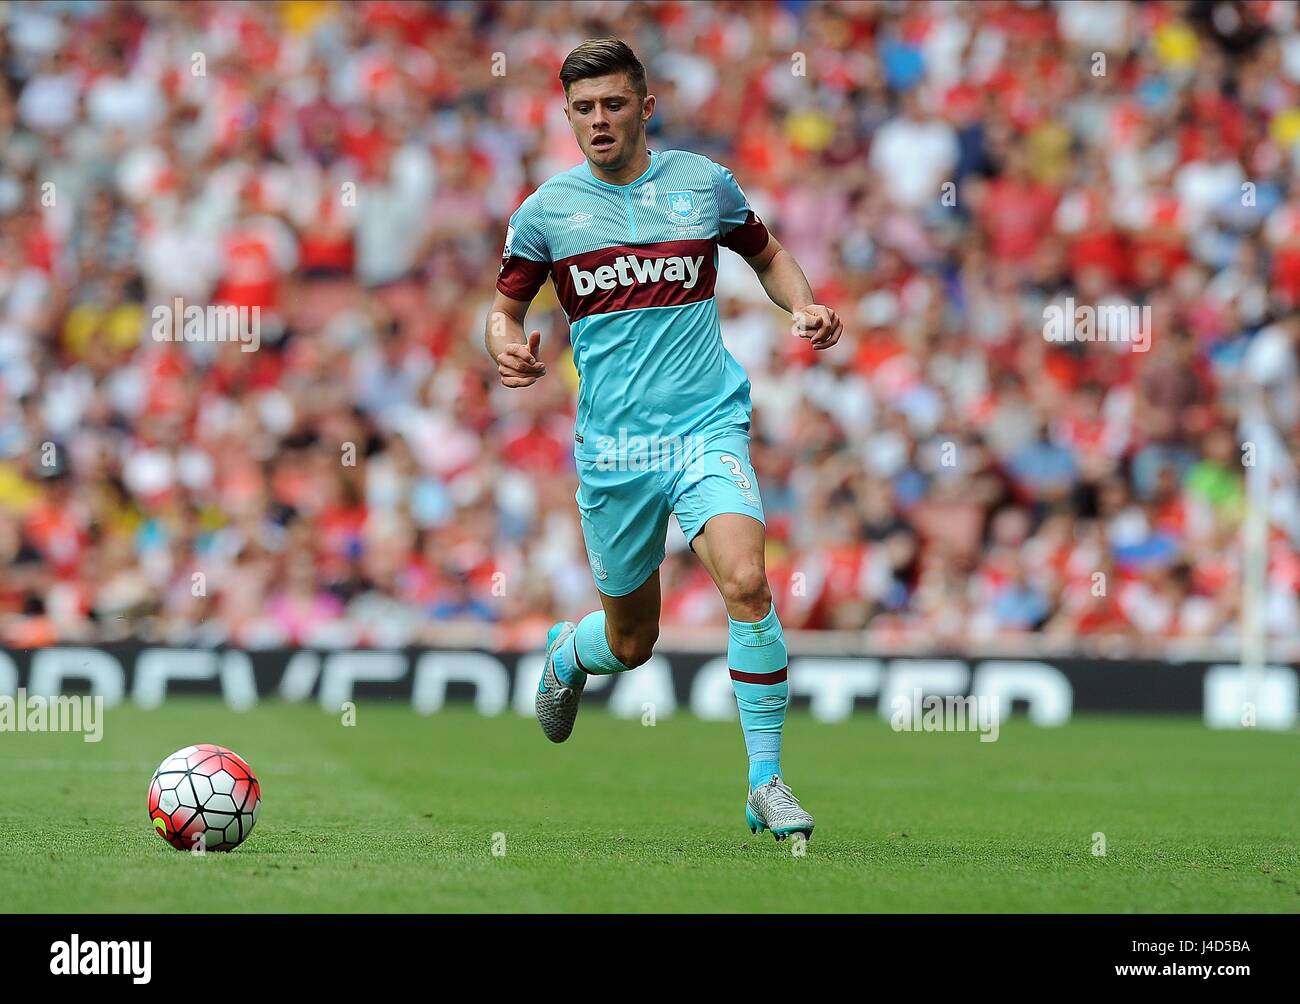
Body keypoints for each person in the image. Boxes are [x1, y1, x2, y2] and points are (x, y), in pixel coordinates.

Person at [484, 38, 842, 841]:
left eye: (613, 104)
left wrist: (805, 307)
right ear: (567, 115)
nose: (599, 120)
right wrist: (504, 343)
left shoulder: (700, 184)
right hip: (615, 453)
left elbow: (769, 254)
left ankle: (764, 781)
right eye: (583, 108)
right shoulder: (546, 212)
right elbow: (503, 310)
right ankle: (569, 655)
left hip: (706, 425)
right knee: (632, 639)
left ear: (645, 108)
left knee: (748, 581)